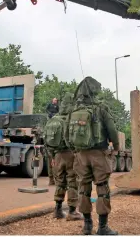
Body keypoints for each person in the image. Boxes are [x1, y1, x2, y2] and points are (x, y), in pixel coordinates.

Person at [69, 77, 120, 235]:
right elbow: (112, 130)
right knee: (102, 187)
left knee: (83, 188)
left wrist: (75, 150)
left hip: (81, 155)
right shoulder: (101, 107)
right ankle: (103, 228)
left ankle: (87, 225)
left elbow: (66, 134)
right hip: (99, 153)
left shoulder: (74, 110)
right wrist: (116, 147)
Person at [44, 93, 83, 221]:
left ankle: (58, 210)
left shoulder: (53, 120)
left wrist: (52, 157)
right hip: (71, 154)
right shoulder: (72, 119)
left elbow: (47, 141)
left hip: (57, 155)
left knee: (60, 182)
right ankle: (72, 211)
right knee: (73, 182)